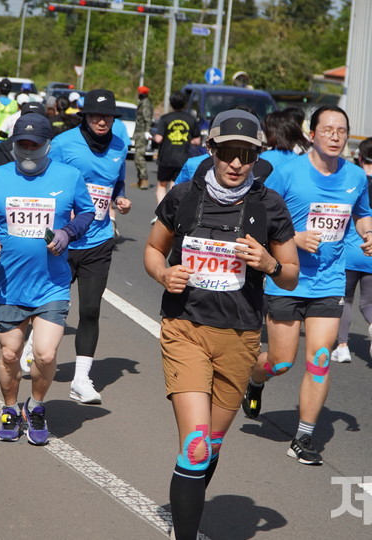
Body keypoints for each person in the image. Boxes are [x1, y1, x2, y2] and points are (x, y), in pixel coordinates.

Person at [144, 109, 299, 540]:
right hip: (185, 328)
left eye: (246, 155)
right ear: (211, 151)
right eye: (228, 152)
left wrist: (269, 263)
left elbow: (291, 273)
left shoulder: (268, 204)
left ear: (256, 158)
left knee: (208, 448)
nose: (236, 163)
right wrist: (163, 274)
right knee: (194, 447)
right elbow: (154, 250)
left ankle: (184, 512)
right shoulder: (183, 197)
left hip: (241, 336)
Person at [242, 105, 372, 466]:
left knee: (319, 359)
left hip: (329, 281)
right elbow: (257, 218)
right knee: (281, 363)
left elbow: (362, 213)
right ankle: (255, 380)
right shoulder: (288, 173)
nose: (336, 136)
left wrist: (367, 234)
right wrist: (294, 238)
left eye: (342, 131)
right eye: (328, 129)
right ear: (312, 135)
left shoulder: (356, 177)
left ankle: (303, 437)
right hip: (286, 279)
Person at [0, 113, 95, 445]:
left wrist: (68, 232)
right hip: (10, 282)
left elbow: (87, 213)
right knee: (11, 354)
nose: (27, 150)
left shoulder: (69, 176)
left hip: (52, 283)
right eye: (21, 144)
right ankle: (10, 409)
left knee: (43, 353)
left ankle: (37, 406)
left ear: (47, 145)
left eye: (34, 144)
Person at [45, 89, 131, 404]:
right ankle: (33, 346)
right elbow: (44, 178)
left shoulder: (120, 146)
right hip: (64, 238)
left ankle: (81, 379)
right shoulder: (65, 143)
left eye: (107, 116)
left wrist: (119, 198)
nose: (101, 120)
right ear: (85, 116)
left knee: (91, 309)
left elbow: (116, 183)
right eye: (95, 115)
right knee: (51, 303)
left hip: (98, 239)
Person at [331, 137, 372, 364]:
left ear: (359, 156)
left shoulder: (353, 181)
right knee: (370, 303)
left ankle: (342, 346)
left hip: (349, 252)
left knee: (344, 300)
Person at [152, 90, 200, 205]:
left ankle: (161, 211)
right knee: (176, 185)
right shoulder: (191, 119)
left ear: (171, 103)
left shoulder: (165, 118)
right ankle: (173, 211)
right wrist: (186, 139)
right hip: (182, 158)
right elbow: (197, 141)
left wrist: (153, 138)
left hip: (165, 158)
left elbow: (158, 139)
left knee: (162, 184)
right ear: (185, 104)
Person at [133, 86, 154, 190]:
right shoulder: (143, 102)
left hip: (142, 133)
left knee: (139, 157)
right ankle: (140, 180)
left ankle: (144, 179)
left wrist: (147, 131)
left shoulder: (145, 104)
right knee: (137, 157)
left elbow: (147, 118)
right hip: (139, 132)